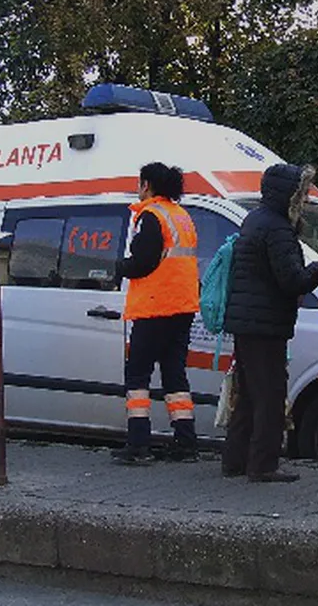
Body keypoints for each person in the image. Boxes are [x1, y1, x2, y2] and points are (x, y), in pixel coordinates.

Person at [221, 163, 318, 483]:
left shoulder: (255, 220)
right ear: (288, 194)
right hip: (265, 324)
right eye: (302, 192)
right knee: (269, 394)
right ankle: (263, 464)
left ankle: (235, 460)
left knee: (250, 393)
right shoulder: (277, 228)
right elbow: (292, 280)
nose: (305, 199)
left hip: (248, 321)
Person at [109, 163, 201, 465]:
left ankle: (138, 445)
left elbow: (144, 262)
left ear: (146, 184)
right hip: (183, 306)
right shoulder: (181, 216)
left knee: (137, 375)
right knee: (175, 374)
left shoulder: (151, 216)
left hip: (155, 305)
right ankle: (186, 442)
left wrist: (120, 267)